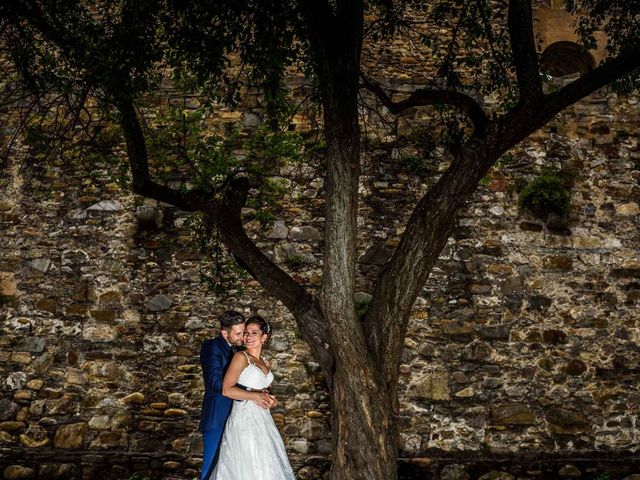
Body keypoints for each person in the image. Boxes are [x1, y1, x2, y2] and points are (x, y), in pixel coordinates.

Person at [211, 315, 296, 480]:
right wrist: (255, 395)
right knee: (247, 463)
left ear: (264, 337)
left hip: (263, 420)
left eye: (254, 333)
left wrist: (272, 400)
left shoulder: (264, 361)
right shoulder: (241, 357)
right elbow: (227, 390)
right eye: (246, 333)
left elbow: (264, 390)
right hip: (244, 418)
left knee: (265, 464)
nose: (248, 337)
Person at [198, 310, 246, 480]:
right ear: (225, 333)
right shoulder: (212, 346)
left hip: (236, 417)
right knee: (211, 467)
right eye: (238, 333)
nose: (242, 336)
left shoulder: (238, 351)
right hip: (216, 416)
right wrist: (247, 393)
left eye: (243, 332)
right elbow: (215, 382)